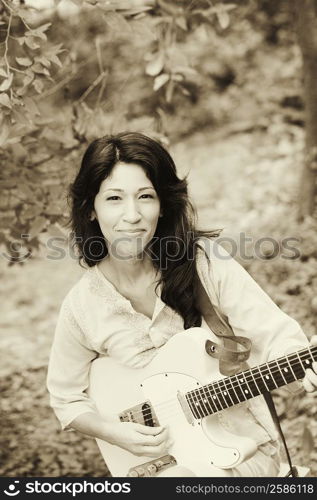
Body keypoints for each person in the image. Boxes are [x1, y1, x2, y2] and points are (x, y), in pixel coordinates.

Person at [47, 132, 317, 477]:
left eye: (145, 196)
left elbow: (275, 335)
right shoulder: (81, 306)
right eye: (114, 198)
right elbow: (66, 399)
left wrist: (302, 364)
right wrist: (116, 433)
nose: (132, 215)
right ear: (91, 210)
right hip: (158, 466)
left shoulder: (204, 264)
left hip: (243, 451)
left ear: (162, 207)